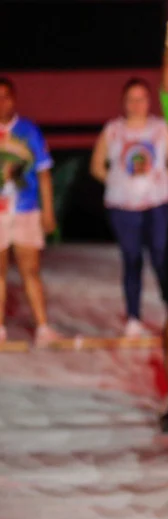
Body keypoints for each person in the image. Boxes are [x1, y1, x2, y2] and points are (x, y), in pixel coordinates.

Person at [90, 78, 168, 337]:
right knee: (132, 259)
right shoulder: (113, 130)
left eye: (142, 99)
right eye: (132, 99)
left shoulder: (160, 128)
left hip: (156, 204)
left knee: (161, 256)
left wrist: (164, 181)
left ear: (149, 101)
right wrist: (118, 182)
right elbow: (96, 166)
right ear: (124, 102)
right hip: (123, 207)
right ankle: (133, 317)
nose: (137, 104)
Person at [0, 77, 60, 346]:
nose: (1, 103)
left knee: (31, 270)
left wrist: (48, 212)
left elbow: (44, 174)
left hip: (26, 210)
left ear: (14, 99)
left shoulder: (29, 131)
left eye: (5, 97)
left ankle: (43, 328)